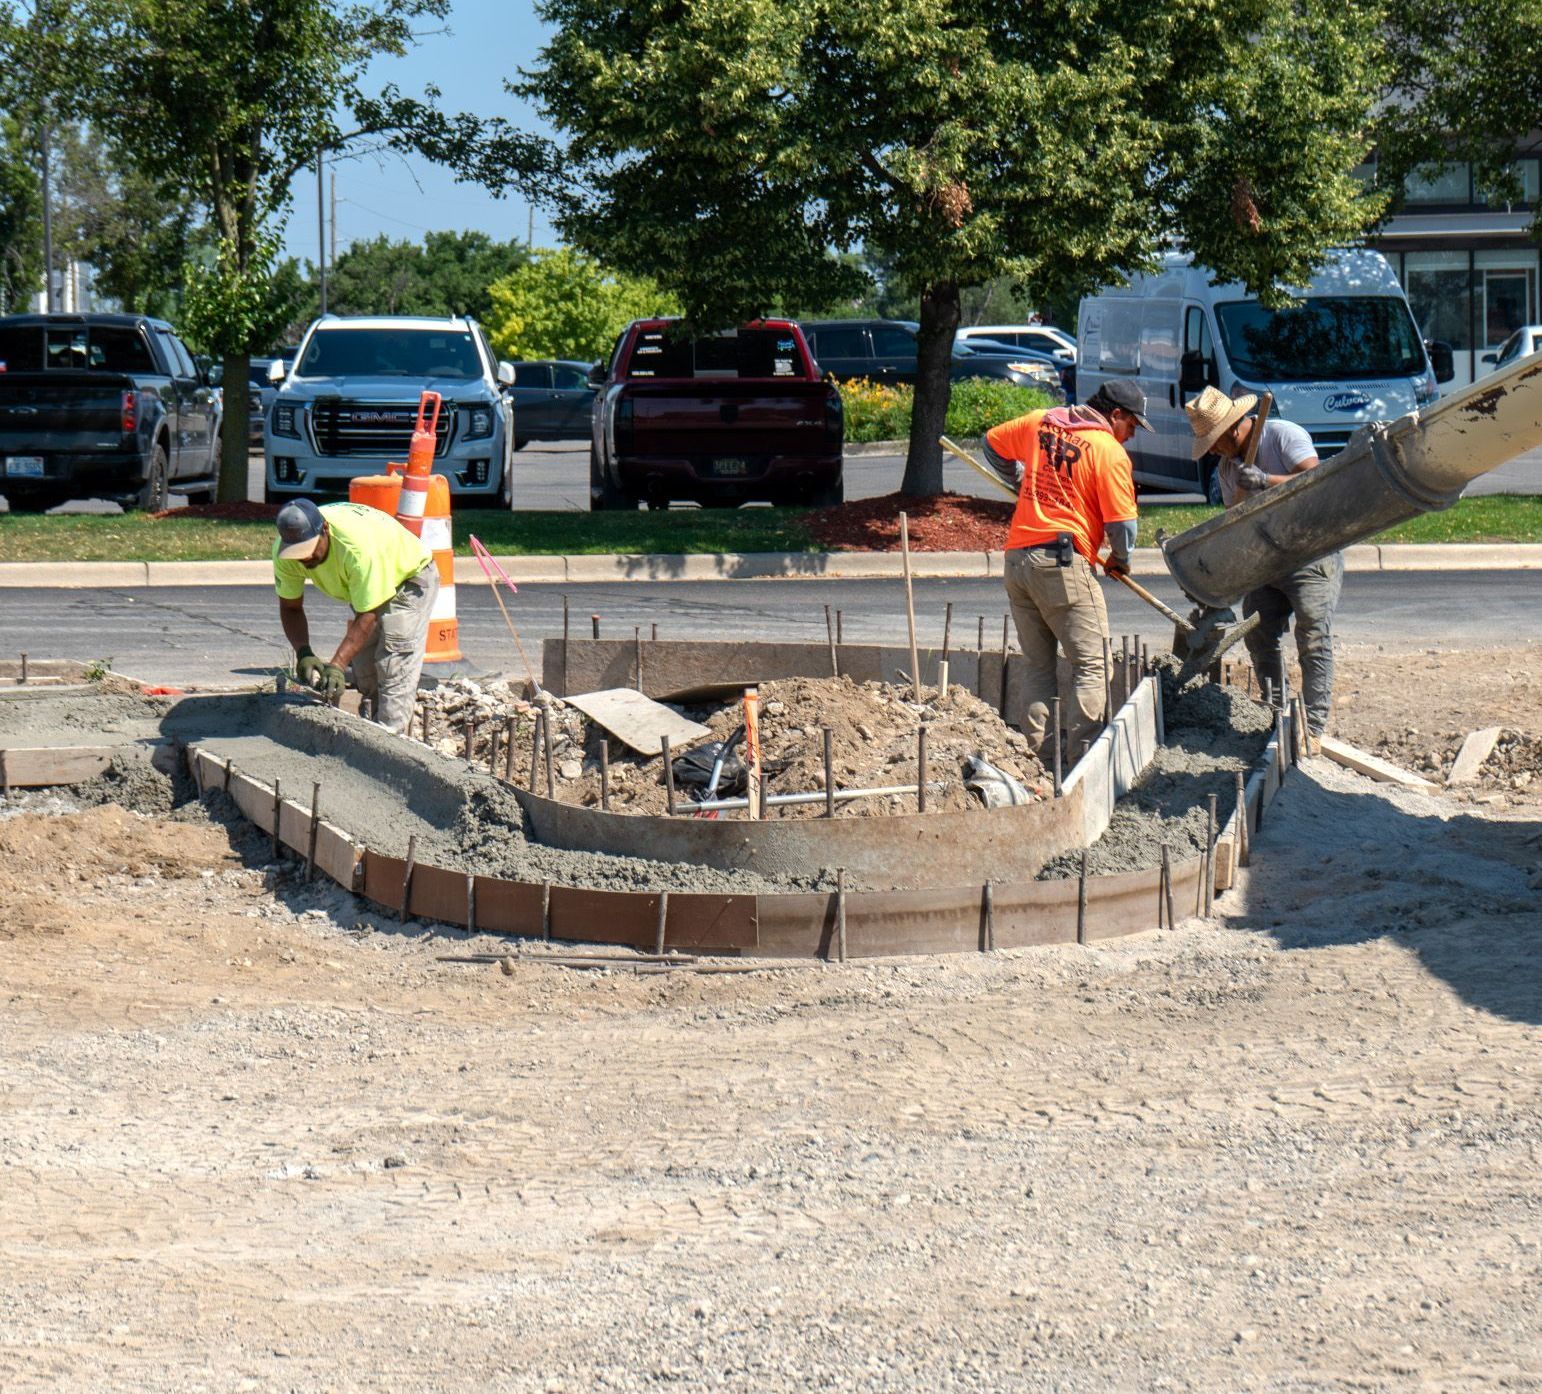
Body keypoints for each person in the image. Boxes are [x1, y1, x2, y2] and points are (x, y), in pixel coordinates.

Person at [983, 380, 1146, 759]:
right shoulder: (1108, 451)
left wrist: (1018, 480)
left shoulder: (1041, 422)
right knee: (1092, 666)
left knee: (1039, 668)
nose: (1132, 434)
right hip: (1061, 563)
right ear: (1115, 415)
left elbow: (992, 443)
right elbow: (1123, 526)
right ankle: (1082, 764)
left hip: (1018, 559)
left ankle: (1037, 763)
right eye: (1132, 425)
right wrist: (1121, 559)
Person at [1186, 384, 1341, 750]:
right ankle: (1275, 716)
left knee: (1313, 635)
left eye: (1216, 442)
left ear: (1233, 428)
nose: (1214, 451)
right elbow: (1235, 526)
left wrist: (1266, 481)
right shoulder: (1227, 470)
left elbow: (1316, 482)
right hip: (1266, 562)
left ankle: (1312, 730)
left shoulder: (1281, 435)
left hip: (1309, 552)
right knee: (1258, 632)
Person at [272, 499, 439, 734]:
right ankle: (370, 730)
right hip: (369, 582)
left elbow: (368, 615)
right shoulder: (286, 552)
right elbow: (290, 608)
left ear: (325, 531)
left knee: (393, 664)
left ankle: (391, 740)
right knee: (366, 667)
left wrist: (338, 664)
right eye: (297, 554)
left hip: (408, 578)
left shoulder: (357, 551)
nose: (304, 559)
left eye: (308, 551)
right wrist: (303, 652)